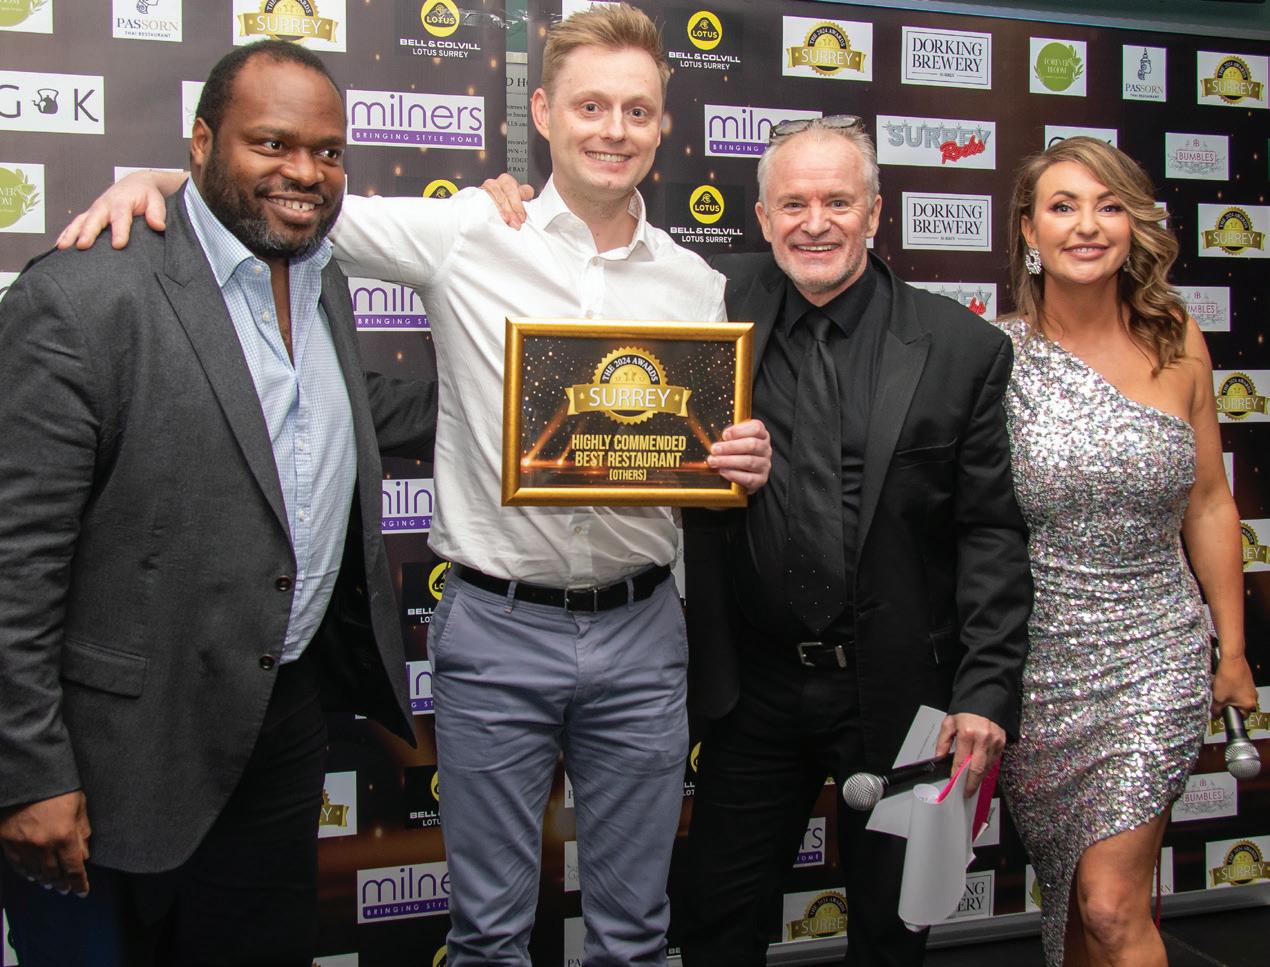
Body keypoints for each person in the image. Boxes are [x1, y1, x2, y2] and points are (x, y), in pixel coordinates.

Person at [58, 6, 772, 964]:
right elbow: (289, 197)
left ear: (662, 125)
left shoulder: (694, 284)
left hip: (643, 633)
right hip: (497, 629)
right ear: (544, 114)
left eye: (636, 110)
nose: (614, 129)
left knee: (636, 935)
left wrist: (737, 467)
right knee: (487, 936)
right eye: (591, 105)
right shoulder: (467, 230)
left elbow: (697, 466)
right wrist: (155, 183)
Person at [0, 41, 437, 967]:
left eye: (327, 151)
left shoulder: (323, 281)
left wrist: (542, 408)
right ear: (201, 144)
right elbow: (13, 563)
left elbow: (334, 405)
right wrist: (27, 772)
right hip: (117, 754)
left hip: (279, 730)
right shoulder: (83, 296)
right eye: (272, 144)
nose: (305, 172)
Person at [670, 118, 1032, 966]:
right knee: (716, 921)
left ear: (876, 211)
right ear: (762, 217)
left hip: (904, 693)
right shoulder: (707, 307)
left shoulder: (962, 348)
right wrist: (514, 207)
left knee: (892, 930)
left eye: (838, 201)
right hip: (752, 686)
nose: (815, 223)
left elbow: (989, 532)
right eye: (792, 203)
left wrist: (985, 690)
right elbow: (593, 277)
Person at [995, 136, 1257, 967]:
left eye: (1109, 205)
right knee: (1074, 904)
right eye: (1063, 206)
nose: (1087, 225)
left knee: (1112, 905)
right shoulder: (996, 358)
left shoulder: (1178, 341)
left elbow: (1209, 503)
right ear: (1029, 231)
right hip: (1037, 666)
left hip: (1155, 652)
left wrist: (1233, 650)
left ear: (1134, 225)